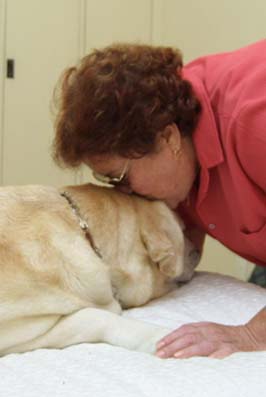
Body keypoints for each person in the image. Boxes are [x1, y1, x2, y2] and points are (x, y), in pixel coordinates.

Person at [53, 40, 266, 359]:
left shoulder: (252, 121)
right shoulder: (175, 161)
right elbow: (177, 256)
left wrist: (251, 333)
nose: (123, 192)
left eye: (121, 177)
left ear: (168, 138)